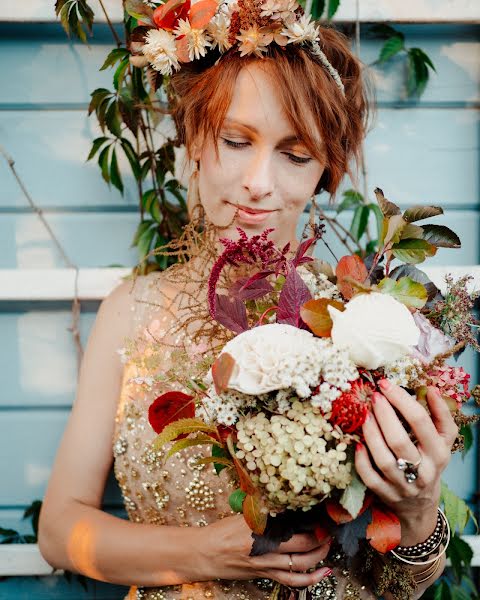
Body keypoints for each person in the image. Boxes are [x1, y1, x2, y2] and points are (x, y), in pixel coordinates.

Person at [38, 2, 458, 598]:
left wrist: (418, 512)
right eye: (237, 140)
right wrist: (205, 553)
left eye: (295, 155)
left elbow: (398, 587)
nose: (259, 181)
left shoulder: (365, 322)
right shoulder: (130, 312)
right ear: (196, 140)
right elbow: (60, 529)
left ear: (323, 175)